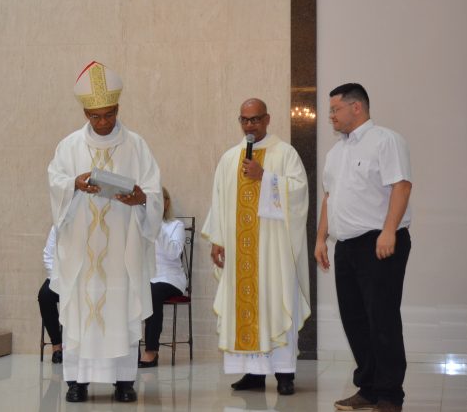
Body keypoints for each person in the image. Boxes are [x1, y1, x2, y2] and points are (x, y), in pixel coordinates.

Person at [47, 61, 163, 404]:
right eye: (95, 116)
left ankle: (124, 380)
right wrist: (74, 184)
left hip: (120, 251)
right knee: (82, 313)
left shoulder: (137, 145)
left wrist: (141, 199)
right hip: (82, 251)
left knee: (120, 307)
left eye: (109, 114)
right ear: (85, 112)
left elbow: (154, 191)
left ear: (118, 108)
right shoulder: (68, 147)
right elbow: (55, 183)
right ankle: (77, 381)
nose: (103, 122)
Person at [202, 98, 310, 396]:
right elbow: (219, 201)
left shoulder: (285, 153)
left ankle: (285, 373)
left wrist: (265, 177)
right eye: (245, 120)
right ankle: (253, 373)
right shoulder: (229, 158)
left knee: (276, 303)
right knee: (245, 309)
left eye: (256, 119)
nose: (250, 125)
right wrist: (217, 240)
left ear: (268, 119)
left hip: (273, 252)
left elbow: (300, 192)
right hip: (239, 253)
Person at [316, 84, 412, 412]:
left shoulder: (386, 140)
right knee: (354, 319)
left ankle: (389, 394)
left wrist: (388, 232)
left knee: (381, 317)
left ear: (357, 108)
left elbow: (401, 185)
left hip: (379, 242)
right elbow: (329, 198)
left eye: (335, 109)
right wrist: (320, 239)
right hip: (346, 245)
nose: (330, 116)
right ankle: (368, 388)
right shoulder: (336, 153)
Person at [139, 187, 187, 368]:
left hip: (170, 278)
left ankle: (151, 350)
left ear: (166, 203)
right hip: (148, 277)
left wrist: (156, 226)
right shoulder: (142, 226)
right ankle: (124, 350)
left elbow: (174, 253)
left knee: (152, 293)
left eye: (157, 200)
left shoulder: (176, 226)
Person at [38, 225, 63, 364]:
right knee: (45, 295)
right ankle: (57, 346)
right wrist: (58, 280)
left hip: (83, 281)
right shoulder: (57, 226)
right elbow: (48, 256)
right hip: (59, 278)